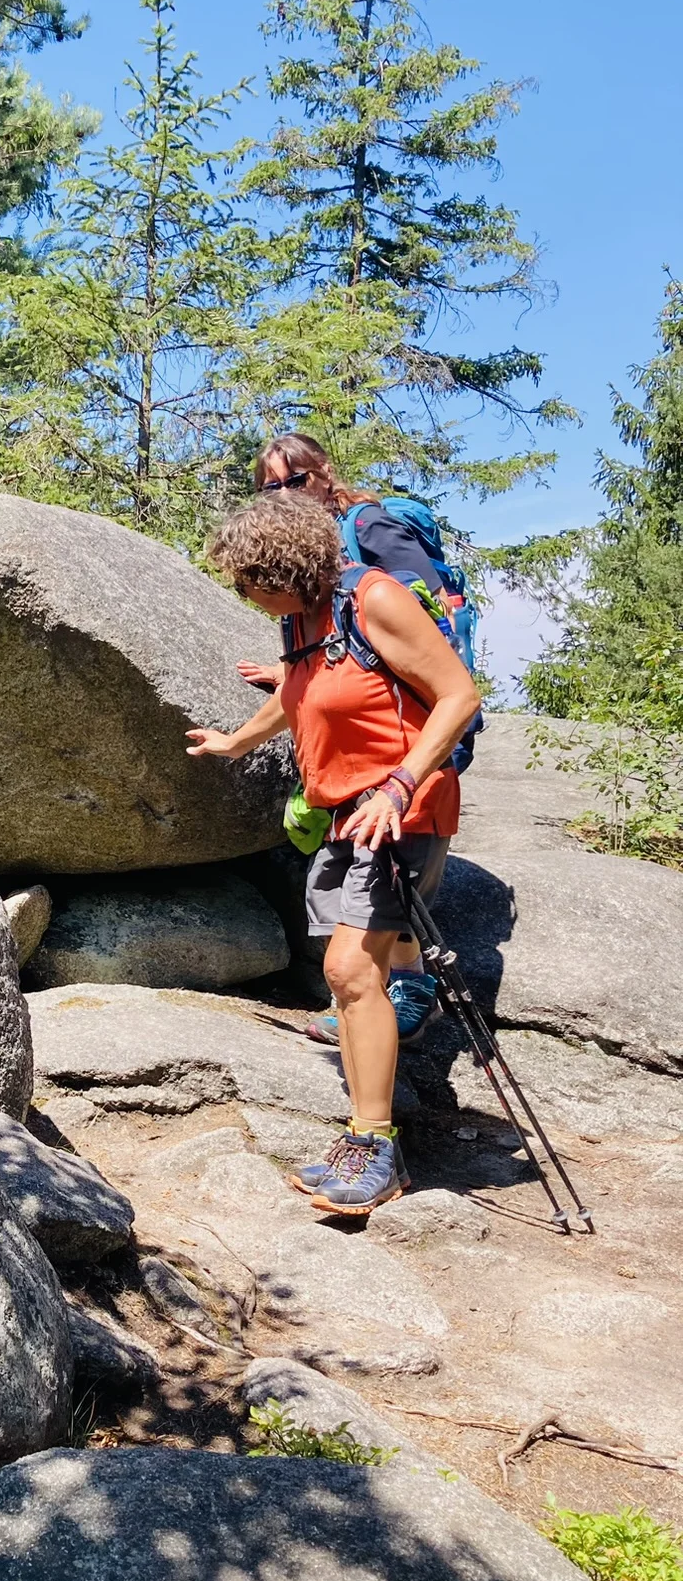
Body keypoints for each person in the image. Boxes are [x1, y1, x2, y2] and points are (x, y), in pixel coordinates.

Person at [187, 493, 481, 1214]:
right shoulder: (304, 618)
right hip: (346, 816)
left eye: (249, 580)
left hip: (401, 813)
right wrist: (236, 741)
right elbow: (298, 689)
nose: (245, 595)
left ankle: (375, 1144)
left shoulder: (373, 599)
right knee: (352, 978)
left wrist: (401, 782)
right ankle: (365, 1134)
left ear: (284, 566)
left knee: (349, 970)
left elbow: (457, 695)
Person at [237, 433, 461, 1049]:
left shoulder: (371, 536)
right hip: (350, 765)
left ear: (324, 475)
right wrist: (299, 673)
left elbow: (428, 641)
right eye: (271, 486)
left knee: (388, 895)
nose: (285, 494)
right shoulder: (295, 578)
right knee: (364, 915)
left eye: (296, 480)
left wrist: (405, 776)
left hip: (404, 744)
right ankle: (376, 997)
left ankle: (408, 990)